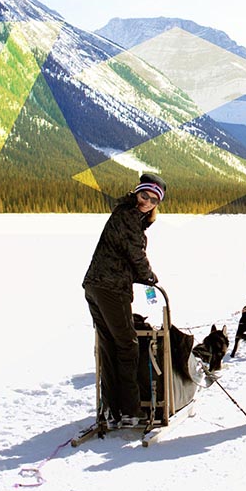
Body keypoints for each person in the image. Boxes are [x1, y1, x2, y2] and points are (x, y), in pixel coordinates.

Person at [82, 173, 165, 429]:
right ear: (136, 192)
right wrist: (149, 277)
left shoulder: (126, 214)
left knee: (109, 345)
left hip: (95, 284)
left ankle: (110, 409)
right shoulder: (128, 215)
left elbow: (124, 253)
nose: (147, 202)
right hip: (110, 287)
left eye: (153, 199)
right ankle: (130, 410)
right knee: (126, 345)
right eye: (144, 195)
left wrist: (139, 276)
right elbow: (135, 253)